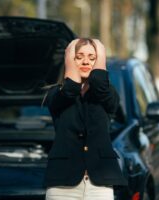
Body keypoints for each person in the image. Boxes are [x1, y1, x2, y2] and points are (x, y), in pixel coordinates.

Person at [43, 38, 127, 200]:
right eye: (79, 56)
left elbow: (100, 84)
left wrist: (101, 52)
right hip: (62, 185)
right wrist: (69, 53)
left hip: (99, 184)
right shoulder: (55, 94)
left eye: (92, 57)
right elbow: (71, 89)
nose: (86, 61)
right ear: (70, 60)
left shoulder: (107, 94)